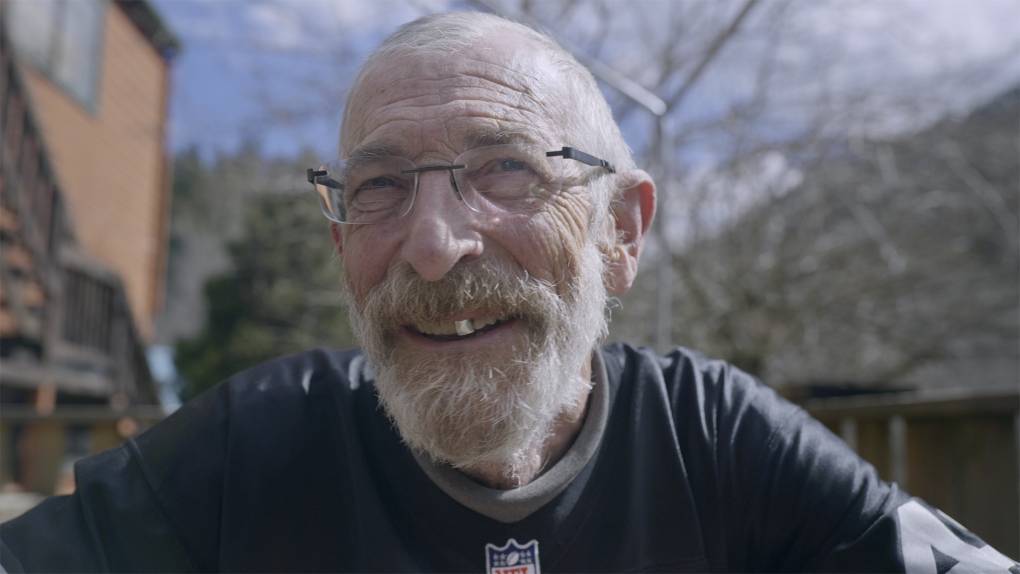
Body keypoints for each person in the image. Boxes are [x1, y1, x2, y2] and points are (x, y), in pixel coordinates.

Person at [1, 11, 1016, 574]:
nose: (434, 246)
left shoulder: (712, 442)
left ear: (621, 230)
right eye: (381, 187)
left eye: (509, 171)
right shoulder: (253, 452)